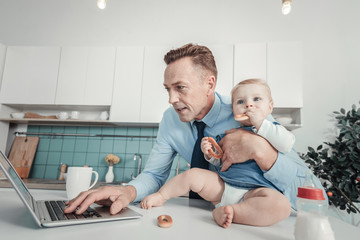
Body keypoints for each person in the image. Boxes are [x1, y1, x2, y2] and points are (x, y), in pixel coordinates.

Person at [64, 43, 326, 226]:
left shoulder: (246, 112)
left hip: (256, 222)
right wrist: (129, 191)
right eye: (167, 88)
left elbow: (316, 195)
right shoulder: (170, 121)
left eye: (180, 88)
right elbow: (155, 174)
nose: (171, 99)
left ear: (209, 83)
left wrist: (262, 151)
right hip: (200, 222)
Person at [140, 79, 295, 227]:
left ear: (270, 106)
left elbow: (286, 144)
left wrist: (261, 124)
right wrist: (209, 154)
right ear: (233, 109)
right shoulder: (229, 133)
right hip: (225, 186)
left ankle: (232, 212)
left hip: (256, 191)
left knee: (281, 206)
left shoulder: (273, 129)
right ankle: (161, 196)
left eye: (256, 99)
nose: (248, 105)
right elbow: (221, 161)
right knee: (193, 175)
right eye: (240, 102)